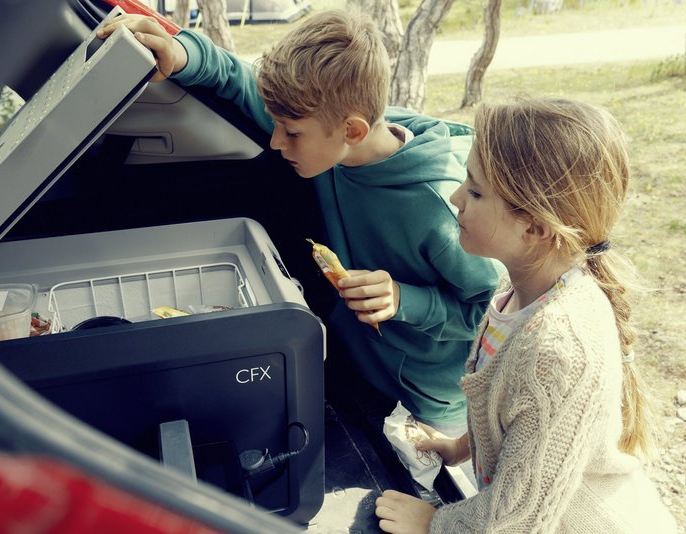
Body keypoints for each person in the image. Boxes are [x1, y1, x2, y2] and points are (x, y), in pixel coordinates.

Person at [98, 10, 502, 435]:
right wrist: (180, 52)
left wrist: (406, 300)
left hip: (423, 398)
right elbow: (235, 76)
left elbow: (493, 314)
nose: (276, 142)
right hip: (358, 361)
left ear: (353, 130)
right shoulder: (328, 130)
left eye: (290, 133)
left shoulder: (438, 208)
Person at [374, 98, 678, 532]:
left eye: (475, 191)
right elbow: (519, 424)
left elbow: (519, 520)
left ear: (534, 227)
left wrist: (433, 525)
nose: (456, 197)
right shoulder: (522, 292)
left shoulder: (557, 347)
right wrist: (459, 446)